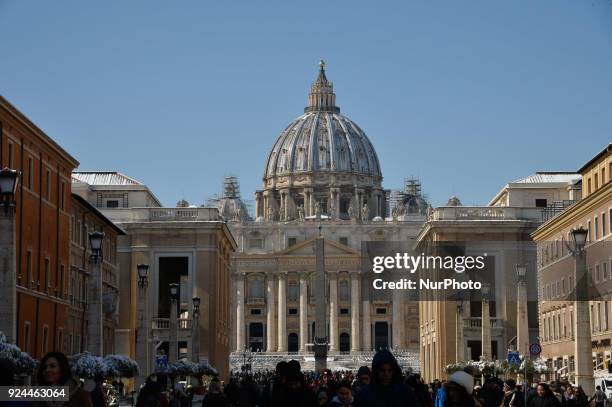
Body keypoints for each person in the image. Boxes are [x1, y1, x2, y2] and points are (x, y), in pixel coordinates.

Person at [353, 349, 420, 407]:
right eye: (382, 370)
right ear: (376, 371)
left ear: (394, 371)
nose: (386, 374)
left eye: (389, 370)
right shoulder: (363, 396)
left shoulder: (405, 393)